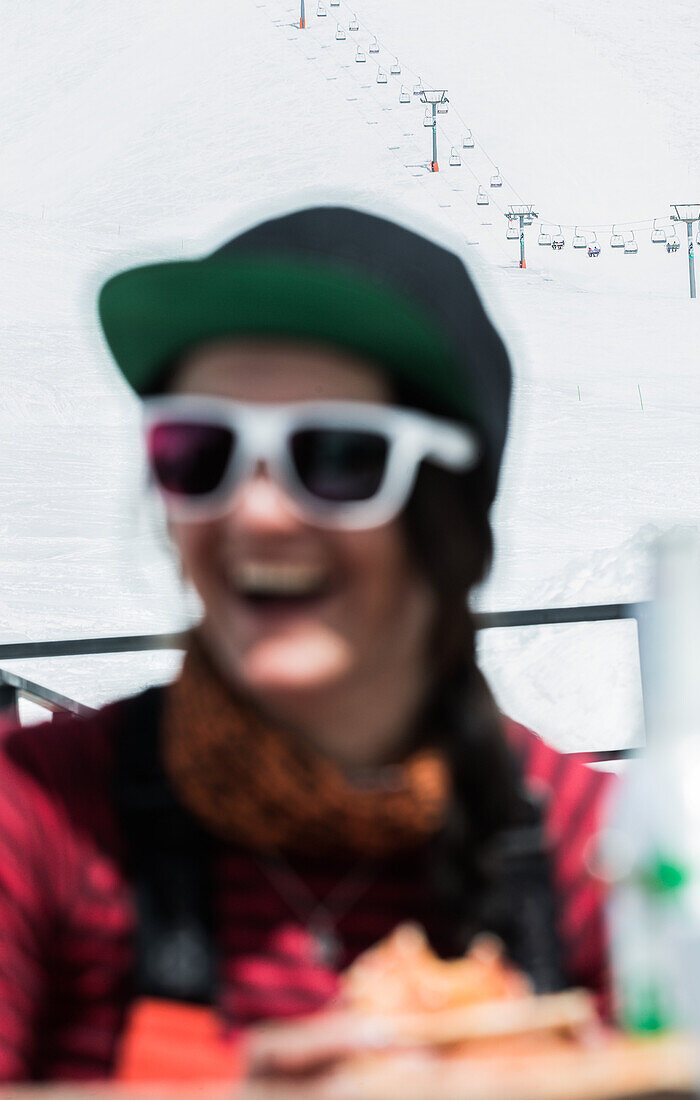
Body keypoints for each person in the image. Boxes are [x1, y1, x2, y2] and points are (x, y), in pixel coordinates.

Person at [0, 204, 612, 1082]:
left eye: (333, 456)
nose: (251, 510)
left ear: (450, 518)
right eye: (199, 452)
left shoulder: (592, 858)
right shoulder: (36, 820)